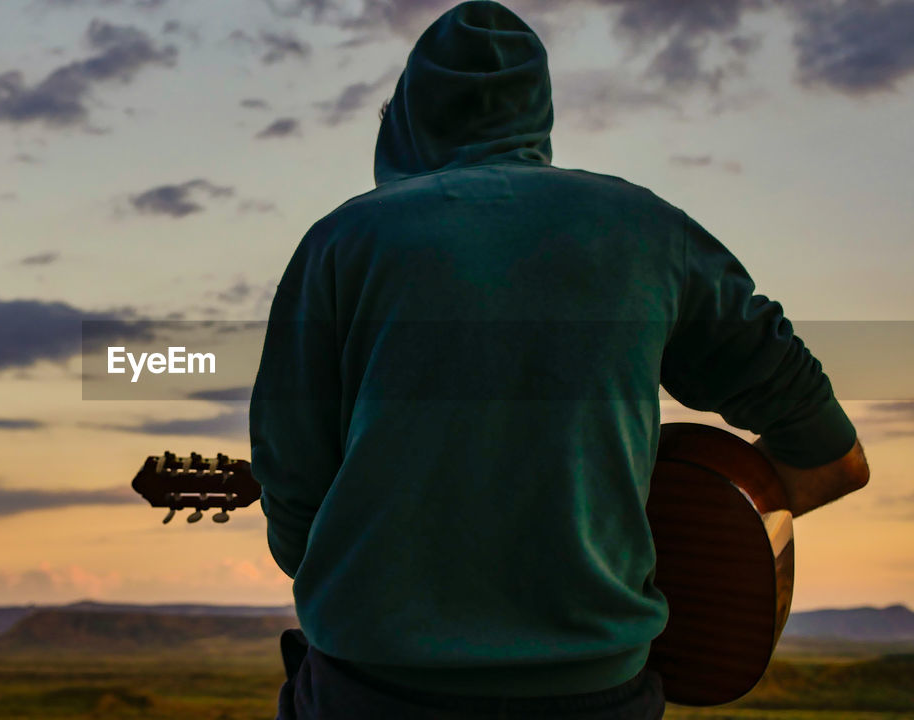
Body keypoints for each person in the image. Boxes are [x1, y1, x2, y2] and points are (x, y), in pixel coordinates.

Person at [247, 2, 871, 719]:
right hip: (599, 695)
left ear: (408, 120)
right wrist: (692, 534)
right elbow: (834, 456)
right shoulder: (650, 233)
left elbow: (294, 508)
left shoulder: (341, 244)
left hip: (374, 692)